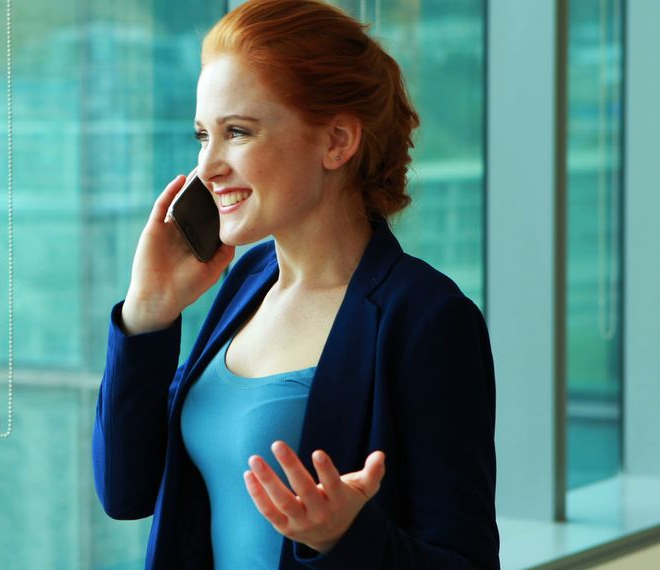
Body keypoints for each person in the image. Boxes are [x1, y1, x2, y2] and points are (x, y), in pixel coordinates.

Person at [91, 0, 499, 568]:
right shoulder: (243, 286)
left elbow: (466, 560)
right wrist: (148, 313)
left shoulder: (426, 319)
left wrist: (343, 537)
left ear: (336, 142)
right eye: (202, 136)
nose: (207, 166)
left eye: (237, 132)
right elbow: (125, 490)